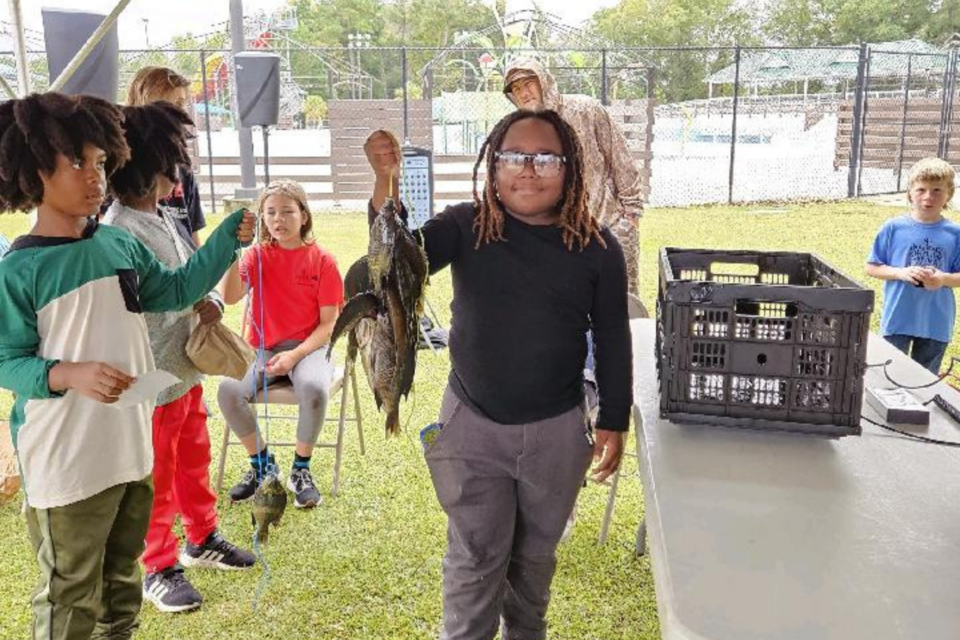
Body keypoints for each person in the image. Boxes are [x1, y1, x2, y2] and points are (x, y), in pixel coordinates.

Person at [366, 109, 632, 640]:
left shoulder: (598, 248)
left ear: (570, 168)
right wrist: (383, 184)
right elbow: (396, 260)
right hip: (471, 426)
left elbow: (611, 336)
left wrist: (615, 418)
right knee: (475, 556)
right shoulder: (465, 226)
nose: (528, 170)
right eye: (514, 156)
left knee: (534, 562)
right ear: (493, 167)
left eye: (545, 158)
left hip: (557, 431)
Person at [0, 91, 254, 640]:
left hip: (130, 449)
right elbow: (6, 360)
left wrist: (227, 241)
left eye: (98, 162)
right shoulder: (19, 269)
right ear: (31, 168)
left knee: (121, 583)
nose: (93, 176)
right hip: (65, 460)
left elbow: (177, 289)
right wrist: (66, 374)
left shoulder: (119, 243)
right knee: (71, 593)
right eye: (75, 162)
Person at [103, 101, 255, 614]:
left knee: (194, 461)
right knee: (156, 474)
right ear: (144, 163)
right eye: (172, 161)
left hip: (184, 371)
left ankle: (201, 538)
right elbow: (164, 293)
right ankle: (157, 566)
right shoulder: (118, 228)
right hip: (149, 378)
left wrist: (210, 302)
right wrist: (223, 246)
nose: (179, 172)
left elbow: (190, 279)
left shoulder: (164, 216)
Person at [218, 179, 344, 509]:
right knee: (228, 391)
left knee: (315, 389)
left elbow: (329, 325)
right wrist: (233, 252)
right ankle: (263, 466)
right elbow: (231, 297)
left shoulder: (323, 261)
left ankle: (300, 470)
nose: (278, 220)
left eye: (287, 211)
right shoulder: (257, 256)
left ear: (304, 215)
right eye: (270, 212)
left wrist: (295, 356)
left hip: (310, 348)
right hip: (262, 349)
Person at [503, 57, 645, 296]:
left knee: (623, 310)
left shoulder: (585, 110)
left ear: (544, 81)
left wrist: (631, 215)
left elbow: (620, 157)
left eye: (528, 83)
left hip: (609, 226)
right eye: (516, 89)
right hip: (560, 240)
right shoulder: (522, 132)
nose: (524, 93)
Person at [866, 157, 960, 374]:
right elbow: (872, 267)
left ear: (949, 194)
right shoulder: (893, 228)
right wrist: (900, 273)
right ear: (910, 192)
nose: (928, 197)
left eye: (937, 190)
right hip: (898, 317)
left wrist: (943, 279)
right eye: (921, 190)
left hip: (936, 321)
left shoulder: (954, 234)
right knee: (889, 378)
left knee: (923, 382)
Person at [126, 65, 206, 248]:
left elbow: (192, 231)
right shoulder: (122, 164)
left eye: (182, 104)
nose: (181, 113)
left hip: (183, 264)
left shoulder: (182, 166)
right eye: (174, 104)